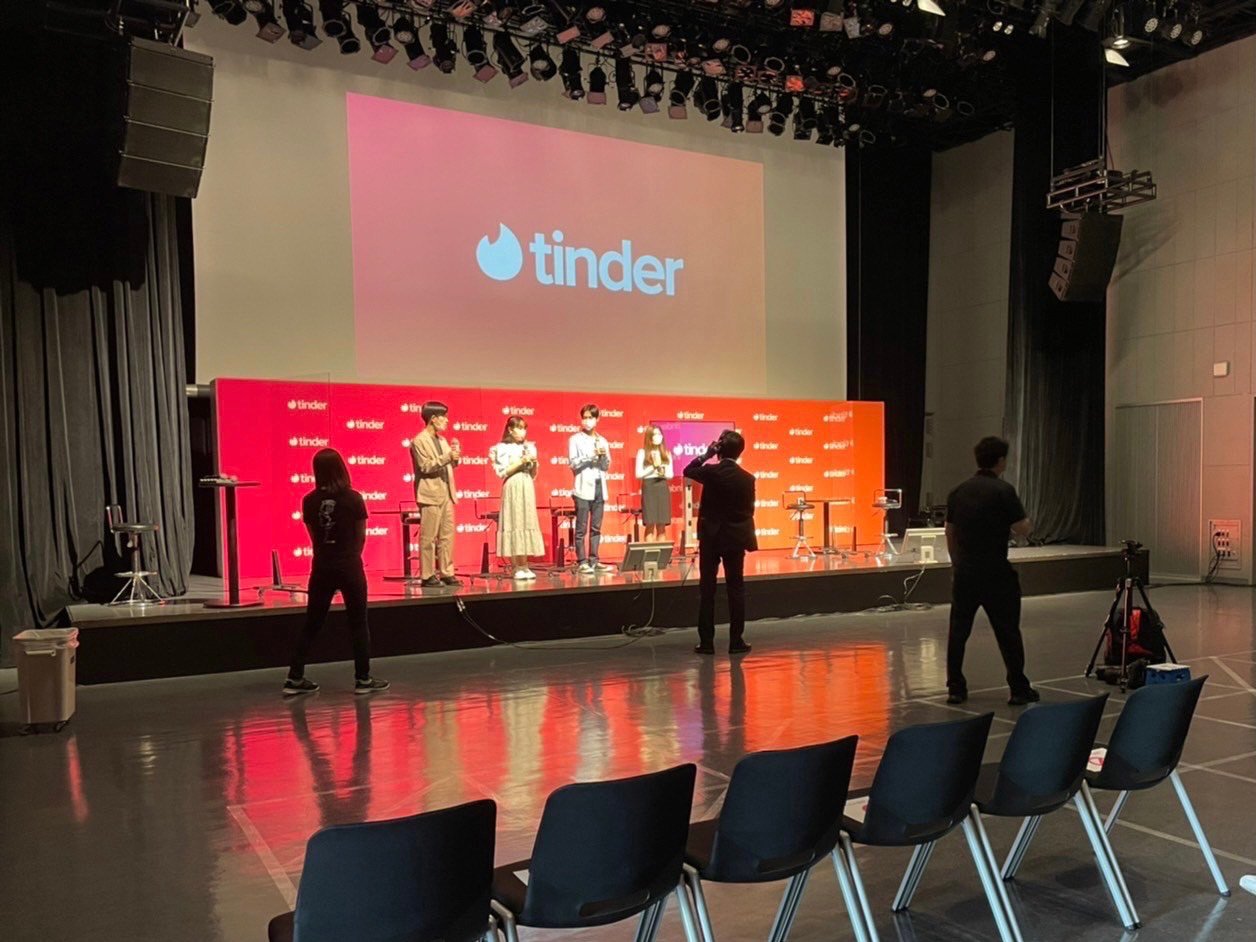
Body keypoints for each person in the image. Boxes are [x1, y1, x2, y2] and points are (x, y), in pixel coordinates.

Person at [284, 448, 389, 696]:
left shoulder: (309, 501)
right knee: (358, 623)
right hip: (349, 565)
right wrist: (351, 557)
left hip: (322, 566)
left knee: (312, 622)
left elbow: (314, 537)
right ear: (341, 468)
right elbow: (361, 536)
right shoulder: (354, 498)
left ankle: (294, 677)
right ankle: (363, 679)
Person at [945, 435, 1039, 706]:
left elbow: (949, 531)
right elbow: (1022, 528)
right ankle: (1018, 688)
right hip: (996, 572)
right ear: (1000, 461)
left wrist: (956, 563)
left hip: (965, 572)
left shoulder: (958, 491)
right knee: (1008, 631)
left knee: (958, 631)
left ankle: (956, 687)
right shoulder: (1003, 491)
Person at [684, 430, 757, 656]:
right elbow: (749, 510)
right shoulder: (748, 478)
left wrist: (706, 455)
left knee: (707, 590)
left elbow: (688, 470)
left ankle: (706, 643)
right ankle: (736, 641)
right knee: (736, 589)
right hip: (735, 538)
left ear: (719, 449)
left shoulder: (711, 471)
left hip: (711, 538)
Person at [410, 400, 461, 588]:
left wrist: (455, 457)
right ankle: (427, 575)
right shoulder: (419, 441)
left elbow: (449, 464)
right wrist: (447, 457)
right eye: (444, 417)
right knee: (429, 537)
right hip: (430, 494)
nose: (447, 421)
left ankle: (447, 572)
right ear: (433, 418)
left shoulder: (442, 440)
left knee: (447, 536)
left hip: (447, 493)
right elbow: (425, 466)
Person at [489, 416, 545, 580]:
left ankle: (524, 565)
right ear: (510, 429)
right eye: (519, 428)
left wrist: (533, 463)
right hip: (513, 485)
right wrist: (520, 461)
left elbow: (533, 474)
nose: (522, 432)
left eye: (524, 428)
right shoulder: (501, 448)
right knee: (515, 521)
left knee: (526, 521)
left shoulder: (529, 447)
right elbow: (503, 472)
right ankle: (516, 566)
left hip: (526, 485)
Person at [568, 403, 612, 574]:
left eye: (590, 418)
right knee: (581, 528)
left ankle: (594, 560)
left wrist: (602, 457)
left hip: (599, 485)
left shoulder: (602, 440)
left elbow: (606, 466)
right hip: (583, 486)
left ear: (597, 419)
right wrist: (590, 456)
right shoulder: (575, 439)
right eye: (584, 418)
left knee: (596, 527)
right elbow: (573, 463)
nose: (587, 421)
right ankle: (582, 561)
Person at [635, 424, 674, 542]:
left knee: (662, 525)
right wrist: (653, 467)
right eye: (655, 434)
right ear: (649, 437)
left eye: (659, 434)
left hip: (662, 486)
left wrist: (662, 471)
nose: (658, 436)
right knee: (650, 524)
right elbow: (638, 474)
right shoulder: (642, 453)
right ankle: (649, 553)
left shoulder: (666, 453)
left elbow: (670, 474)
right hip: (649, 487)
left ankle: (662, 553)